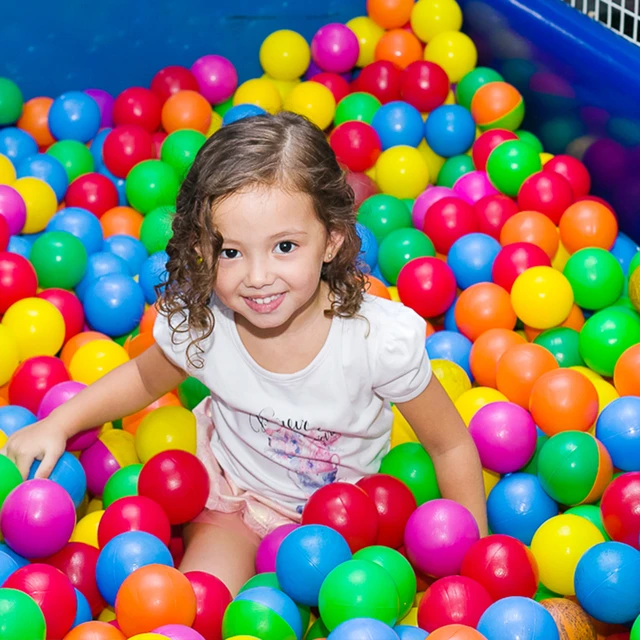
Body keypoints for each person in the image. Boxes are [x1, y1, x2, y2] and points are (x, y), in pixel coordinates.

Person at [2, 111, 487, 595]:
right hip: (233, 496)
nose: (257, 277)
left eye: (284, 246)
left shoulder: (374, 342)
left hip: (345, 523)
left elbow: (451, 445)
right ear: (202, 248)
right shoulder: (208, 324)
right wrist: (59, 424)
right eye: (230, 252)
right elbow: (144, 380)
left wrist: (475, 556)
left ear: (331, 238)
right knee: (197, 603)